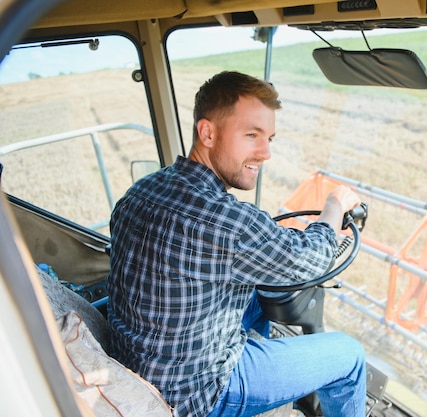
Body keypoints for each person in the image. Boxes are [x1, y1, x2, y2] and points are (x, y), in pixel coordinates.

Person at [107, 70, 367, 417]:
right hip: (195, 394)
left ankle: (260, 360)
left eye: (270, 138)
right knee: (349, 357)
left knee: (261, 295)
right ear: (208, 132)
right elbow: (311, 259)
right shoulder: (228, 221)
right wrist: (333, 208)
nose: (265, 153)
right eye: (251, 135)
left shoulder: (140, 191)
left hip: (138, 364)